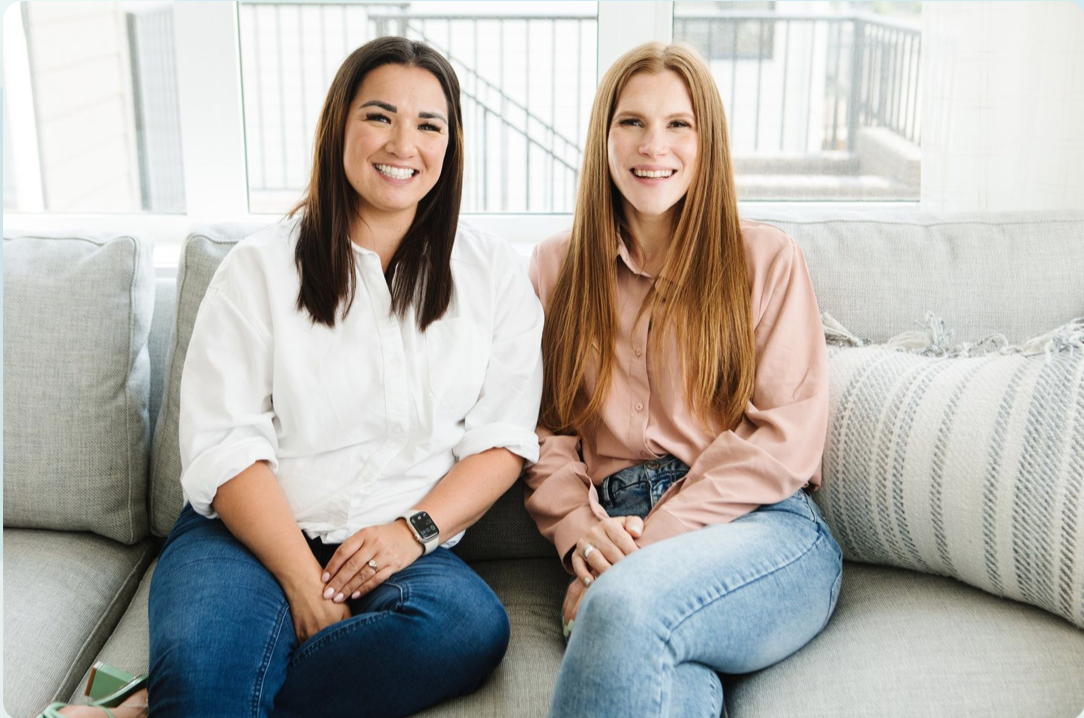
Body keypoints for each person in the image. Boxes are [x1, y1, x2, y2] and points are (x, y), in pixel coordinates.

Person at [40, 37, 543, 718]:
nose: (404, 143)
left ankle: (150, 707)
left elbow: (503, 442)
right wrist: (303, 581)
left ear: (450, 145)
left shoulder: (494, 275)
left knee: (467, 628)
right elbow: (226, 445)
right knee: (211, 686)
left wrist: (411, 531)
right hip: (245, 538)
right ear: (339, 125)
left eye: (430, 125)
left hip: (403, 546)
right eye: (380, 116)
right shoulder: (257, 268)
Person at [525, 42, 843, 718]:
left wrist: (639, 558)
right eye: (632, 122)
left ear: (707, 143)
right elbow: (543, 433)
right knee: (669, 691)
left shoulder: (767, 259)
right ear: (603, 138)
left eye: (679, 125)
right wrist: (582, 532)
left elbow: (785, 439)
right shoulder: (555, 268)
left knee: (622, 612)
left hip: (760, 526)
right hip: (615, 531)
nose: (653, 146)